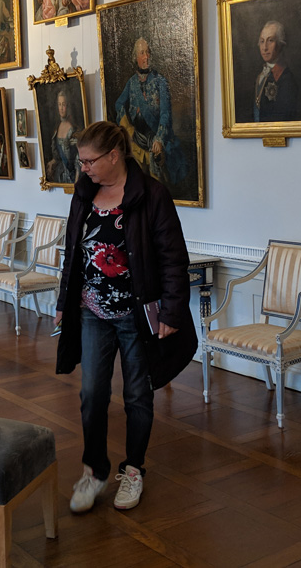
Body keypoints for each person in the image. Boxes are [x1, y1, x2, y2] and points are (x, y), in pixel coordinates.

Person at [54, 121, 197, 513]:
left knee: (136, 394)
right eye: (81, 161)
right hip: (92, 312)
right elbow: (73, 252)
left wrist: (172, 312)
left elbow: (173, 259)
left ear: (114, 156)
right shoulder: (83, 194)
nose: (83, 167)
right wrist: (64, 301)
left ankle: (133, 469)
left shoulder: (151, 195)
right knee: (91, 394)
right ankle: (94, 470)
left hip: (137, 315)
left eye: (89, 161)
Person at [114, 38, 183, 185]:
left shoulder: (160, 81)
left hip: (155, 141)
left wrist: (159, 139)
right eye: (142, 53)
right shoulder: (132, 82)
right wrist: (128, 128)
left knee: (157, 184)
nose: (146, 56)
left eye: (148, 52)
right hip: (136, 140)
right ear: (135, 57)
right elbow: (119, 104)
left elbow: (165, 114)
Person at [253, 20, 299, 122]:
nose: (265, 47)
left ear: (280, 44)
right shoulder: (260, 75)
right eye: (262, 41)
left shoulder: (286, 79)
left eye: (270, 41)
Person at [46, 87, 81, 184]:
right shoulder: (56, 128)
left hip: (72, 177)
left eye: (63, 104)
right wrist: (52, 162)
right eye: (59, 104)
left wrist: (76, 183)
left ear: (68, 106)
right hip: (59, 175)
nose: (61, 108)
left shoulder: (73, 129)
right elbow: (57, 156)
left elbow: (78, 159)